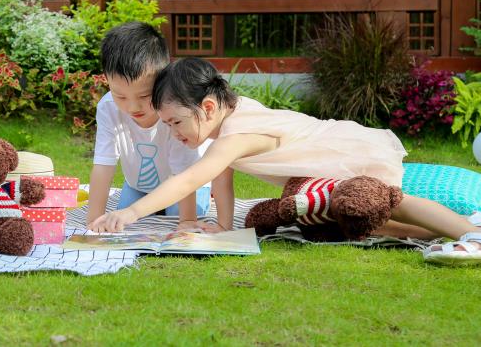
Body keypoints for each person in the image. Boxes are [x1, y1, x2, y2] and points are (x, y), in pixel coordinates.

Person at [89, 57, 481, 265]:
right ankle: (438, 233)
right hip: (322, 169)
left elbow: (193, 178)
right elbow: (221, 178)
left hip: (344, 153)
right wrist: (223, 225)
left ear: (207, 107)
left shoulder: (236, 134)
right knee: (363, 224)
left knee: (393, 201)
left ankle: (470, 232)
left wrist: (131, 212)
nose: (174, 132)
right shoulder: (227, 119)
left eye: (176, 122)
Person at [87, 23, 232, 232]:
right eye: (120, 96)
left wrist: (187, 221)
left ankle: (200, 198)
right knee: (120, 221)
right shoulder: (108, 107)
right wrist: (93, 220)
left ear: (161, 80)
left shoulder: (173, 113)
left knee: (176, 215)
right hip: (138, 187)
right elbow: (103, 164)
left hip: (185, 185)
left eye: (144, 96)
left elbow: (184, 174)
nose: (133, 107)